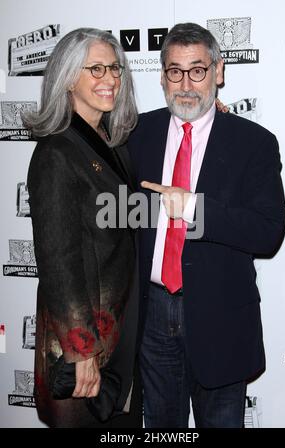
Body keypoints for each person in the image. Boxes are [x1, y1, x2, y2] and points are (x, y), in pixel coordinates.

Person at [127, 22, 285, 428]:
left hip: (222, 318)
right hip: (152, 317)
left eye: (197, 70)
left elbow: (268, 232)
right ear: (162, 76)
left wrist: (197, 210)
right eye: (175, 71)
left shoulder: (254, 143)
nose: (185, 84)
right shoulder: (136, 134)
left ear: (219, 71)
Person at [24, 28, 142, 428]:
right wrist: (82, 351)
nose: (109, 79)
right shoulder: (56, 152)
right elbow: (58, 262)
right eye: (95, 69)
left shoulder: (112, 144)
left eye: (114, 68)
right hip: (84, 350)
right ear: (69, 76)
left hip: (120, 337)